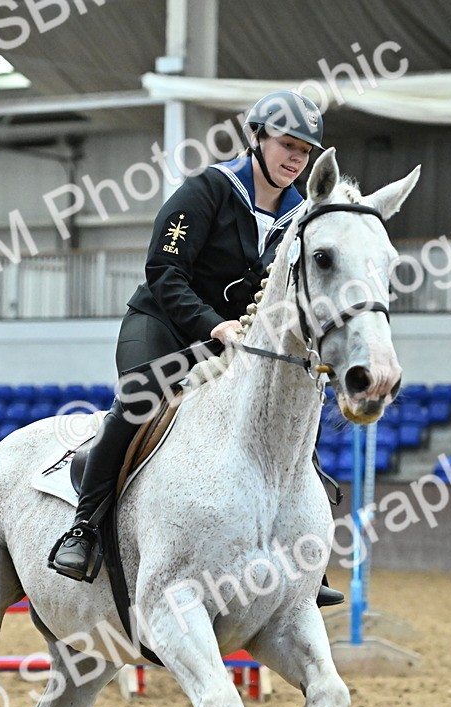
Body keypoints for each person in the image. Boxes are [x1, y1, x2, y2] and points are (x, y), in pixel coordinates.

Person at [48, 90, 345, 607]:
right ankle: (84, 529)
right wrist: (215, 327)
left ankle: (302, 560)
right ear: (257, 138)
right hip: (165, 323)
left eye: (305, 150)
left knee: (286, 421)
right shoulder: (207, 189)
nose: (296, 158)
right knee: (139, 400)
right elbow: (164, 272)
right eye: (287, 144)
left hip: (239, 342)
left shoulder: (302, 214)